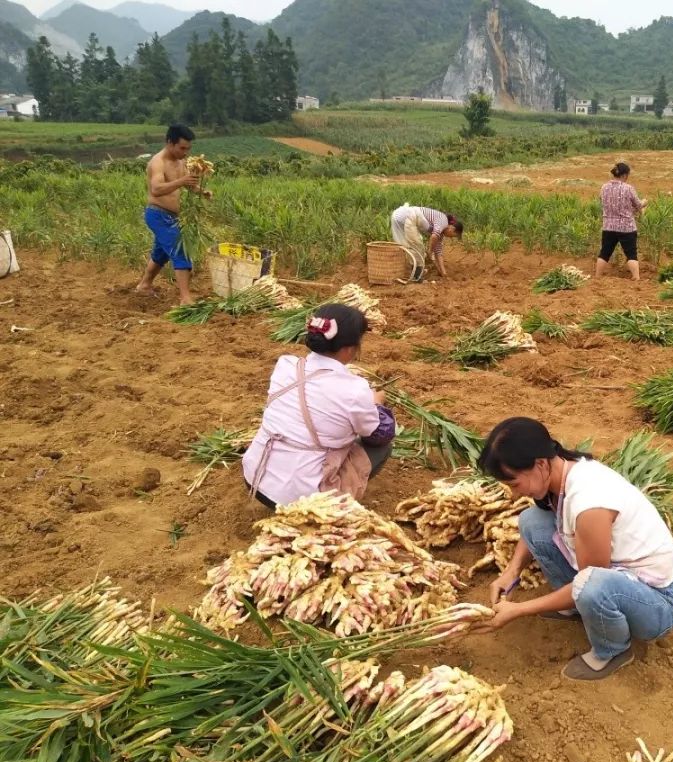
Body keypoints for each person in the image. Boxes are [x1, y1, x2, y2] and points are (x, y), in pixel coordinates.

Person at [480, 417, 673, 681]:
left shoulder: (589, 503)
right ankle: (577, 609)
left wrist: (519, 609)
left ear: (540, 464)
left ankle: (613, 650)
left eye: (514, 484)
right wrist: (511, 572)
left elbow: (590, 580)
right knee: (531, 521)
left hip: (657, 604)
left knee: (591, 586)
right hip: (617, 578)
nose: (513, 494)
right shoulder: (562, 476)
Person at [242, 303, 396, 510]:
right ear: (350, 348)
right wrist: (376, 403)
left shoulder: (285, 364)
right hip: (304, 500)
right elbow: (378, 434)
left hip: (255, 477)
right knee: (381, 445)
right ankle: (334, 501)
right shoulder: (355, 389)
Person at [135, 124, 211, 304]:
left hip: (172, 217)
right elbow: (156, 189)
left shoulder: (181, 162)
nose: (185, 152)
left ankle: (144, 286)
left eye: (188, 149)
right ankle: (185, 298)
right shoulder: (157, 162)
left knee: (161, 253)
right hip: (157, 214)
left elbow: (188, 185)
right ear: (170, 143)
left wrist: (202, 191)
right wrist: (182, 180)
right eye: (182, 148)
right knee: (180, 251)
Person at [596, 162, 647, 281]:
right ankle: (636, 278)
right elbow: (638, 205)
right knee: (631, 253)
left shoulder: (604, 187)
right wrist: (645, 202)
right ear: (624, 175)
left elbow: (603, 202)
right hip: (626, 227)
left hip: (608, 226)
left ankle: (597, 277)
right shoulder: (628, 188)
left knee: (604, 253)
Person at [389, 204, 463, 280]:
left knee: (406, 246)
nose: (450, 238)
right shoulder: (443, 220)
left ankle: (413, 271)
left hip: (400, 217)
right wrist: (430, 251)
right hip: (408, 215)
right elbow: (434, 236)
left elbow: (438, 253)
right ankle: (417, 277)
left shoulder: (440, 234)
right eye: (452, 236)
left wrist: (443, 272)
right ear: (452, 229)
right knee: (418, 247)